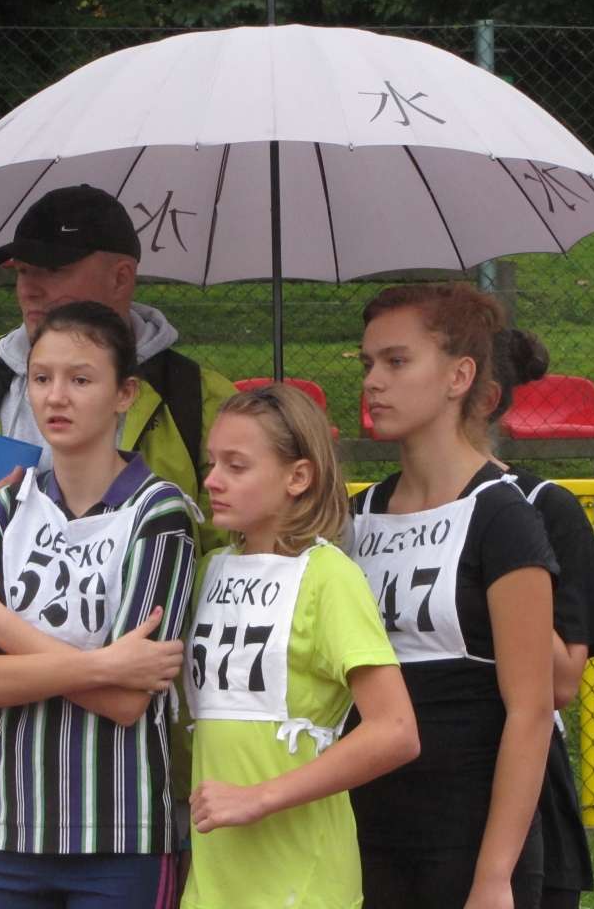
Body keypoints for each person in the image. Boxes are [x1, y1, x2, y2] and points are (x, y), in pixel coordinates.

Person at [0, 184, 236, 909]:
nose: (30, 286)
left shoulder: (200, 403)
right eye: (22, 269)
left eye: (53, 268)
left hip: (129, 765)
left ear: (121, 276)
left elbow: (246, 557)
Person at [0, 301, 195, 908]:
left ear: (124, 393)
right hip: (10, 830)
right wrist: (103, 664)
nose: (56, 396)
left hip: (123, 833)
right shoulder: (6, 508)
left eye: (80, 379)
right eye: (41, 378)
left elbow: (126, 702)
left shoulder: (159, 513)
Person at [348, 283, 558, 909]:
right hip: (362, 835)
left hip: (467, 843)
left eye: (397, 361)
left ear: (459, 376)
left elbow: (530, 710)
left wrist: (494, 877)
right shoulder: (358, 516)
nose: (373, 381)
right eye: (367, 363)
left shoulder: (502, 516)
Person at [179, 383, 420, 909]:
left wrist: (260, 797)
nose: (212, 480)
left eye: (236, 466)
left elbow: (396, 731)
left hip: (303, 885)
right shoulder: (208, 571)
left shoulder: (329, 577)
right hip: (214, 883)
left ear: (298, 477)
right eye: (212, 463)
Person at [487, 328, 594, 909]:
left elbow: (562, 681)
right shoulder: (371, 514)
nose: (372, 383)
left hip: (521, 772)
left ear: (478, 392)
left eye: (398, 362)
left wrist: (493, 549)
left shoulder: (543, 507)